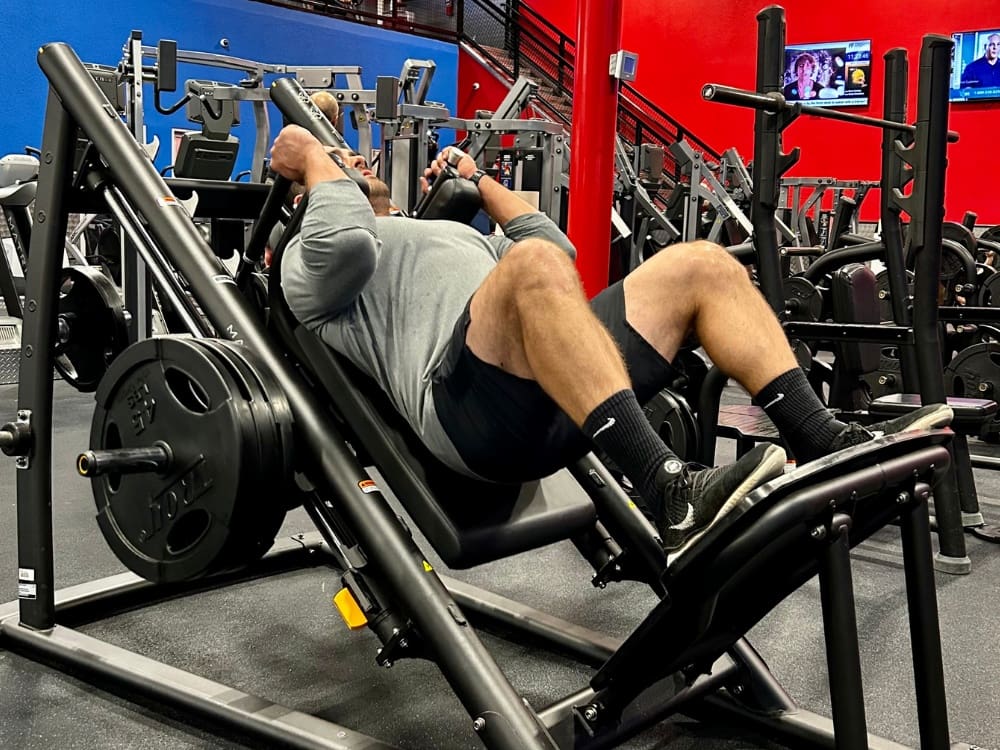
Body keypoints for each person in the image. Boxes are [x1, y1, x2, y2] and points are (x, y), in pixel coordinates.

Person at [268, 125, 952, 555]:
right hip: (467, 412)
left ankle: (820, 438)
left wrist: (477, 184)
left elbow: (551, 244)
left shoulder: (431, 228)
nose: (350, 155)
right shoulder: (309, 259)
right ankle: (668, 490)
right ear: (307, 196)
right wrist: (306, 155)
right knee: (528, 269)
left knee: (701, 264)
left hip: (558, 386)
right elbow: (348, 236)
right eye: (340, 156)